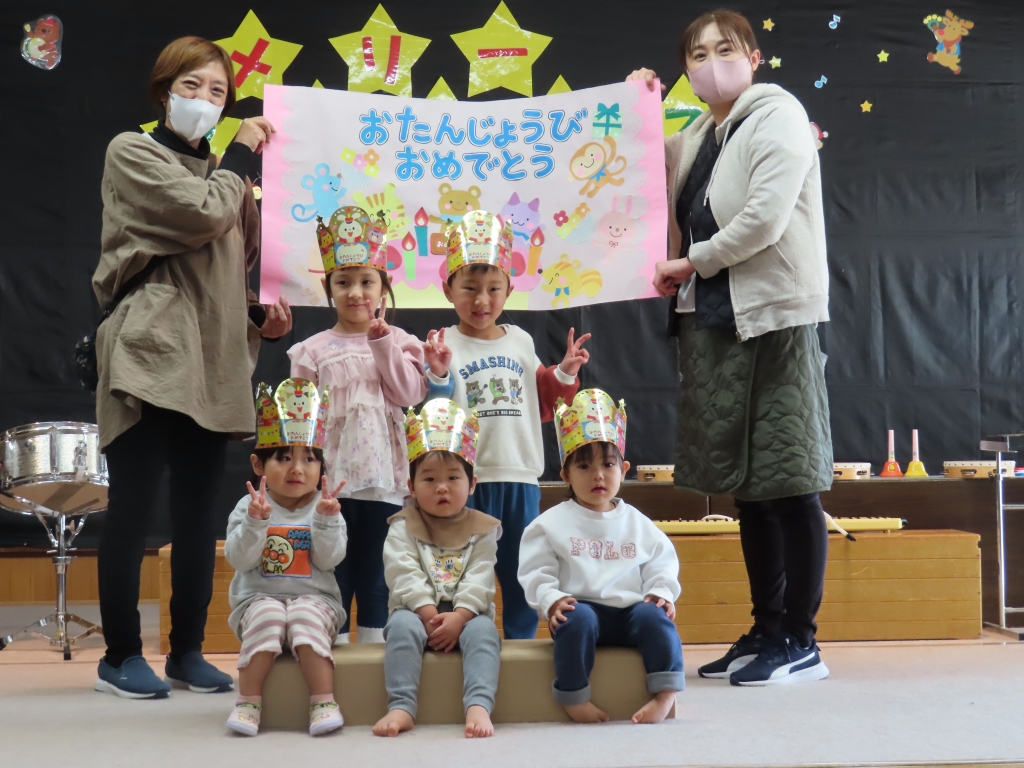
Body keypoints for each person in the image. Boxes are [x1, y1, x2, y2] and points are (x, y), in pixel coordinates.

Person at [627, 8, 832, 685]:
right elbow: (636, 164)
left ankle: (801, 639)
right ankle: (766, 628)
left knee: (789, 478)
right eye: (697, 55)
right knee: (749, 487)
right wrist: (633, 105)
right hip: (714, 322)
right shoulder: (697, 134)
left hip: (772, 318)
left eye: (724, 49)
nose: (711, 63)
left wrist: (693, 262)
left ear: (754, 57)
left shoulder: (778, 116)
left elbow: (764, 218)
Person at [92, 36, 292, 699]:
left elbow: (234, 267)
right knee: (134, 507)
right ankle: (120, 655)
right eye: (191, 86)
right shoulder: (134, 152)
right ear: (164, 91)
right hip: (151, 349)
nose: (204, 99)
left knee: (199, 515)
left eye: (217, 91)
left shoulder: (228, 177)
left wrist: (260, 314)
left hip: (215, 357)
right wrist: (241, 155)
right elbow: (200, 214)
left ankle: (186, 651)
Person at [422, 210, 590, 639]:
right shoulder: (444, 343)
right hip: (468, 479)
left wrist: (566, 371)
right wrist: (437, 374)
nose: (482, 300)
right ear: (448, 289)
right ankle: (464, 641)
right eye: (469, 289)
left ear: (509, 290)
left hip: (520, 476)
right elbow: (435, 413)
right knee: (462, 572)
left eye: (493, 289)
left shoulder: (520, 340)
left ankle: (519, 647)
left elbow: (545, 400)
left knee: (521, 570)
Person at [289, 207, 427, 644]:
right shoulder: (311, 350)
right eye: (343, 282)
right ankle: (333, 656)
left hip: (385, 484)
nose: (355, 293)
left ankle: (373, 657)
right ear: (328, 288)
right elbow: (300, 427)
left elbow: (409, 394)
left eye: (367, 281)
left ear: (383, 286)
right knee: (334, 573)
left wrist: (382, 344)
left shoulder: (400, 341)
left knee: (377, 576)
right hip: (332, 487)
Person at [518, 389, 683, 724]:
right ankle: (574, 695)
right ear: (566, 475)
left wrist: (661, 591)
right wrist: (551, 599)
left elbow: (662, 561)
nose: (598, 475)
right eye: (584, 466)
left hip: (631, 611)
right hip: (582, 608)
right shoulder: (549, 524)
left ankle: (666, 694)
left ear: (623, 469)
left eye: (608, 465)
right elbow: (536, 571)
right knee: (575, 621)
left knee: (656, 619)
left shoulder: (637, 522)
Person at [224, 378, 347, 737]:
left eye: (309, 458)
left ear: (322, 468)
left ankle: (323, 701)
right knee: (269, 614)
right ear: (258, 464)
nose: (297, 468)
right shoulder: (249, 506)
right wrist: (255, 523)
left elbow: (331, 559)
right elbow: (239, 560)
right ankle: (248, 701)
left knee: (304, 614)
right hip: (256, 601)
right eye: (284, 457)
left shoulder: (327, 508)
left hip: (317, 601)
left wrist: (325, 522)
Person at [373, 399, 501, 739]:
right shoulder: (402, 525)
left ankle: (478, 704)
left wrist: (460, 616)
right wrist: (428, 613)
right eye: (429, 479)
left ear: (472, 484)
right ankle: (401, 705)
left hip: (468, 614)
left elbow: (481, 576)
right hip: (416, 612)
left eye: (453, 478)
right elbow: (402, 573)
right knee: (400, 628)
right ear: (411, 486)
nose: (441, 487)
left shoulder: (484, 528)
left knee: (485, 634)